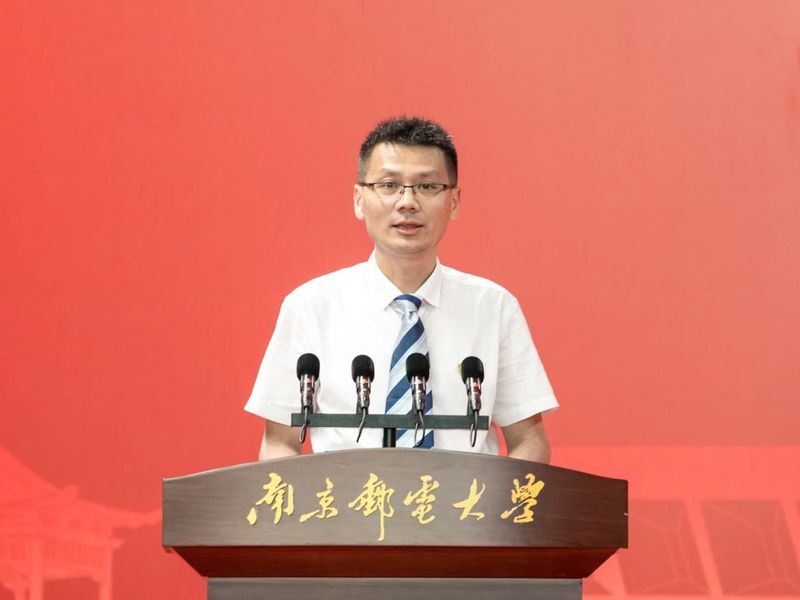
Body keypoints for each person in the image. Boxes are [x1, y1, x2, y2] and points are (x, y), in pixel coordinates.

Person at [245, 117, 558, 461]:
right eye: (389, 185)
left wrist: (491, 499)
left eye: (427, 186)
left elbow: (529, 439)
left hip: (464, 496)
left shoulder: (493, 307)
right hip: (347, 496)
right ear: (359, 199)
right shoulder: (310, 306)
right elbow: (279, 441)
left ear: (454, 201)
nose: (407, 202)